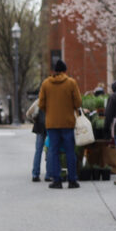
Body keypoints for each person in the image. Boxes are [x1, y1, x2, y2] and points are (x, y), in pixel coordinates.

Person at [38, 59, 82, 189]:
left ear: (54, 70)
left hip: (52, 123)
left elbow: (41, 104)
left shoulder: (46, 84)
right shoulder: (71, 83)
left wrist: (50, 111)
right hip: (68, 122)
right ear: (65, 70)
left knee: (53, 151)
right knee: (70, 152)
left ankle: (56, 180)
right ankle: (72, 180)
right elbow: (78, 103)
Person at [25, 93, 49, 182]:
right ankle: (48, 175)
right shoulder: (52, 101)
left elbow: (28, 113)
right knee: (50, 150)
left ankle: (35, 174)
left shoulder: (38, 101)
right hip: (50, 127)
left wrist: (34, 119)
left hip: (39, 127)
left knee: (38, 151)